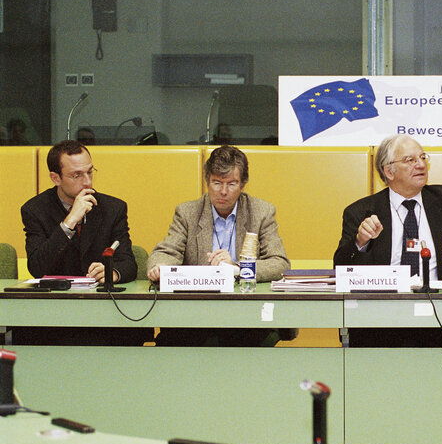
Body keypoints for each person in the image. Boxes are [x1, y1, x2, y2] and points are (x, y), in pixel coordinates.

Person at [333, 134, 442, 347]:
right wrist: (360, 241)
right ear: (388, 171)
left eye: (422, 157)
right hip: (381, 319)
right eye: (409, 160)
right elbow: (340, 267)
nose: (421, 165)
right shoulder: (360, 212)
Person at [147, 144, 291, 346]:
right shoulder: (187, 213)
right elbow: (166, 251)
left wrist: (238, 268)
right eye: (217, 183)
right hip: (196, 315)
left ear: (243, 184)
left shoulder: (261, 212)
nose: (223, 191)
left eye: (231, 184)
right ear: (207, 181)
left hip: (245, 315)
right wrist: (160, 267)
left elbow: (280, 263)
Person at [17, 140, 145, 345]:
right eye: (76, 175)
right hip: (54, 317)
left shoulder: (113, 209)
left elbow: (129, 264)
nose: (87, 182)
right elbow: (37, 267)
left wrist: (112, 272)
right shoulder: (35, 210)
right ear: (55, 178)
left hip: (102, 315)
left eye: (90, 172)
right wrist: (69, 222)